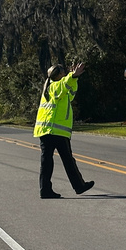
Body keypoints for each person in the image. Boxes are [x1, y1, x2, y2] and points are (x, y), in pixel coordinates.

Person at [34, 63, 95, 199]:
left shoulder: (57, 88)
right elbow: (63, 86)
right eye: (63, 73)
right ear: (58, 75)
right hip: (54, 130)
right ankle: (77, 186)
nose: (65, 74)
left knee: (51, 161)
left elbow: (71, 93)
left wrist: (74, 78)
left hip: (50, 130)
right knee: (64, 160)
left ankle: (47, 190)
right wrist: (72, 76)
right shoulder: (53, 87)